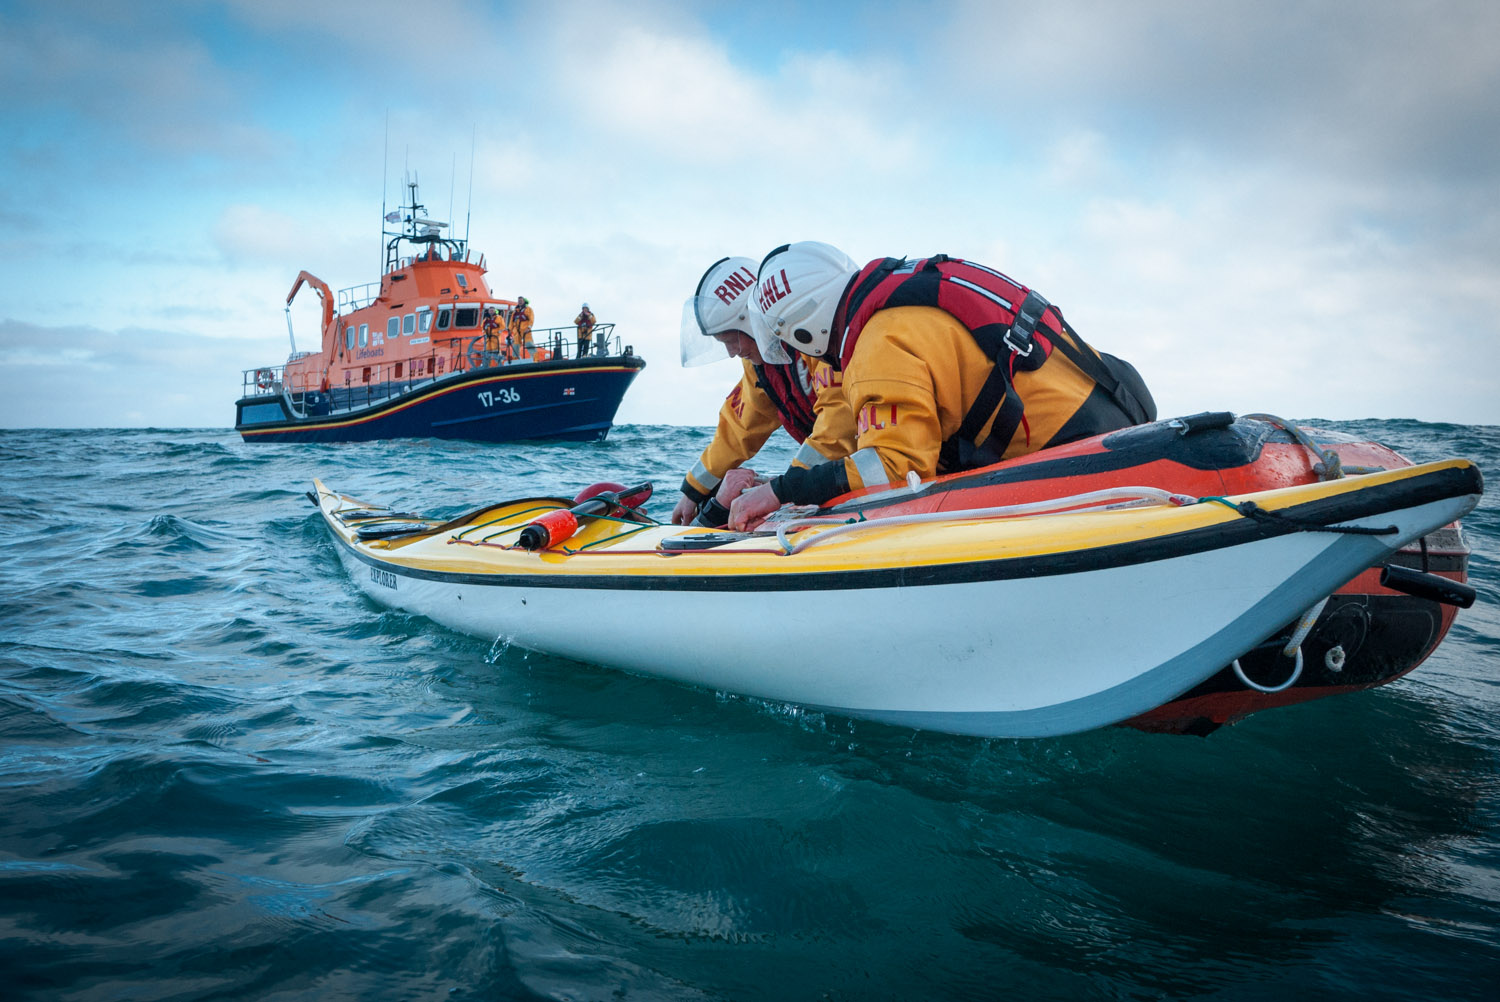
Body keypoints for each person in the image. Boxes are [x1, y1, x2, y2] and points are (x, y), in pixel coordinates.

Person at [731, 241, 1155, 529]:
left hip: (1074, 454)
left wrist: (781, 491)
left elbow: (895, 468)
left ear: (806, 330)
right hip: (1115, 405)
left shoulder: (876, 346)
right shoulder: (907, 295)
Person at [671, 256, 857, 526]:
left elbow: (840, 423)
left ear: (750, 323)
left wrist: (786, 490)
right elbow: (737, 430)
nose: (732, 352)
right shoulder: (761, 365)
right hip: (838, 474)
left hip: (874, 469)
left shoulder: (815, 339)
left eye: (730, 340)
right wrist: (692, 491)